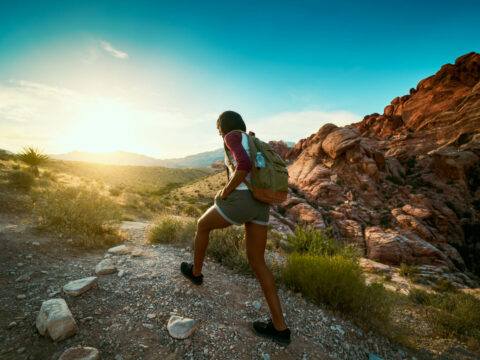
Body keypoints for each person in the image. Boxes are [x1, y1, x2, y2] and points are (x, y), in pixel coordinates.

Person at [180, 110, 291, 345]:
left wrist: (226, 191)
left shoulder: (231, 136)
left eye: (218, 128)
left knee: (202, 225)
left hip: (241, 200)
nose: (219, 132)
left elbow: (244, 165)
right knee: (258, 262)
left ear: (223, 126)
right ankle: (280, 328)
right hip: (262, 203)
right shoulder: (252, 139)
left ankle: (196, 273)